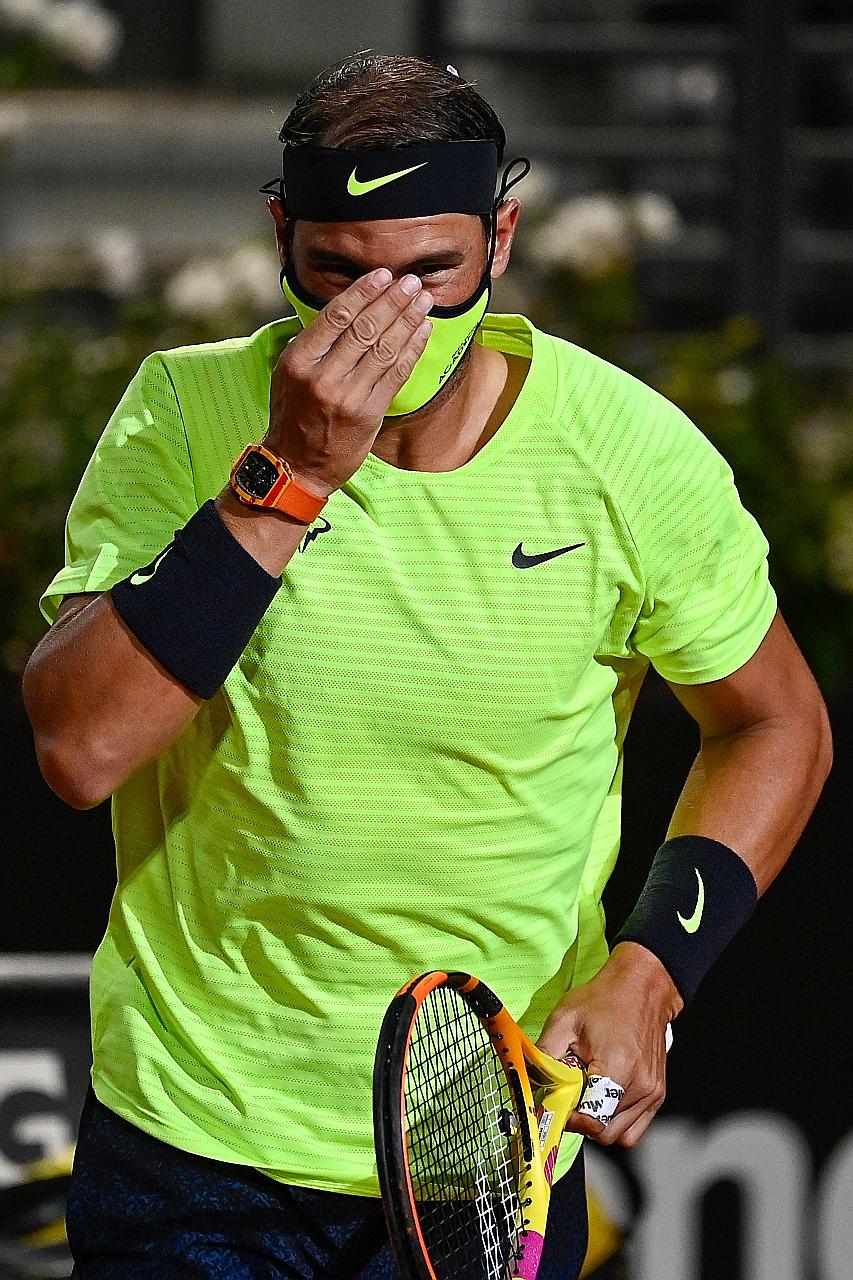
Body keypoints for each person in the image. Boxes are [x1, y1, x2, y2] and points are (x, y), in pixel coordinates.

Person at [23, 52, 831, 1280]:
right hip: (195, 1138)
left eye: (428, 273)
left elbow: (777, 724)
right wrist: (286, 477)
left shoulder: (630, 455)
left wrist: (652, 969)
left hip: (486, 1146)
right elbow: (80, 749)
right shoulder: (184, 414)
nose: (381, 318)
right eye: (337, 273)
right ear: (280, 235)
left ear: (501, 238)